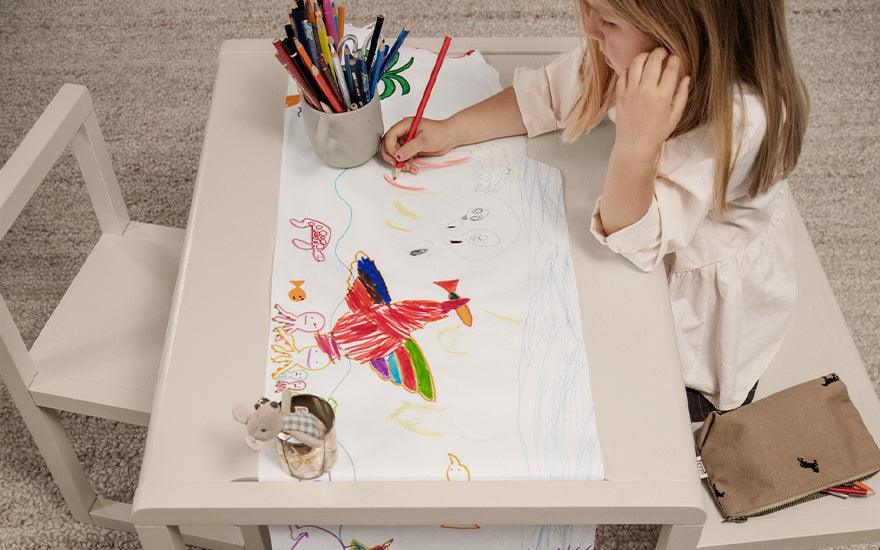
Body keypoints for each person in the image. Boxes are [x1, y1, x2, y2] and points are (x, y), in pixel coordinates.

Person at [380, 0, 810, 422]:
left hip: (694, 307)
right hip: (643, 249)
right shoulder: (640, 55)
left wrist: (636, 145)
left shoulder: (739, 123)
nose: (588, 29)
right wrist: (451, 129)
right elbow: (550, 93)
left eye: (607, 21)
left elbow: (635, 236)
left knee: (617, 404)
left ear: (680, 33)